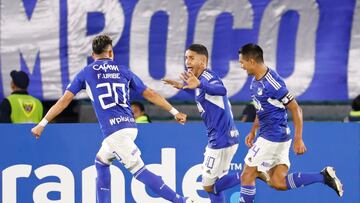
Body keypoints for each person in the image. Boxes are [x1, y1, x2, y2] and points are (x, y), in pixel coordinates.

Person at [31, 34, 193, 203]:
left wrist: (42, 124)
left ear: (93, 55)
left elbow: (64, 101)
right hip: (129, 125)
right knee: (101, 161)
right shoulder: (123, 70)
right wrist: (175, 112)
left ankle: (181, 201)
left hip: (115, 132)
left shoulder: (86, 73)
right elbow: (150, 94)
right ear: (111, 53)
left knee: (139, 170)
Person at [237, 43, 343, 202]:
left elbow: (296, 109)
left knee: (247, 174)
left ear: (252, 61)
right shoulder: (255, 82)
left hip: (272, 138)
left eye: (242, 62)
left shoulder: (273, 83)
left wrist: (299, 138)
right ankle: (323, 177)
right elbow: (261, 109)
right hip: (272, 137)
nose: (241, 66)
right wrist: (253, 130)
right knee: (277, 183)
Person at [163, 44, 241, 203]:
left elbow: (221, 90)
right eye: (186, 58)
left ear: (203, 61)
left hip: (221, 140)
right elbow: (202, 91)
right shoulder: (199, 80)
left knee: (208, 185)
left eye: (191, 58)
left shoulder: (207, 77)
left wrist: (198, 84)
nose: (187, 62)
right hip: (223, 138)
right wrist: (183, 86)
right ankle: (250, 173)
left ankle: (250, 173)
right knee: (215, 186)